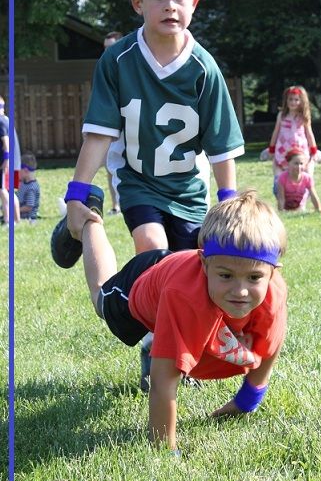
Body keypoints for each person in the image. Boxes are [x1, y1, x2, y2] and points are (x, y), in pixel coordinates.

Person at [50, 0, 244, 389]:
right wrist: (78, 191)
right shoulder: (118, 61)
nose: (170, 6)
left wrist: (229, 201)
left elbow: (221, 145)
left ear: (195, 2)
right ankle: (158, 351)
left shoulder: (204, 68)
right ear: (138, 4)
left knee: (193, 270)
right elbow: (99, 132)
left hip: (189, 188)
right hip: (139, 180)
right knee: (155, 256)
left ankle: (172, 343)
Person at [79, 189, 287, 453]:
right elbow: (163, 380)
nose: (241, 290)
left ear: (272, 273)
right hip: (144, 281)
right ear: (203, 263)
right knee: (100, 297)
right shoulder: (184, 298)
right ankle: (88, 217)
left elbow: (269, 347)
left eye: (254, 278)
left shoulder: (274, 293)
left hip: (178, 275)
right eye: (226, 276)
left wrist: (246, 402)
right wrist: (165, 451)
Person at [266, 86, 318, 194]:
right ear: (286, 100)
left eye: (296, 99)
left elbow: (309, 133)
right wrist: (271, 148)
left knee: (302, 173)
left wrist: (313, 150)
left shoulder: (303, 116)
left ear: (301, 101)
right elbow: (275, 132)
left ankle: (301, 198)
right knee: (281, 174)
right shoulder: (282, 115)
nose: (293, 102)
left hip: (300, 150)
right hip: (283, 150)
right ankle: (282, 198)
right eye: (290, 99)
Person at [102, 31, 123, 215]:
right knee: (110, 166)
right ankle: (115, 205)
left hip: (132, 129)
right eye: (105, 48)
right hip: (112, 129)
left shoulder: (129, 67)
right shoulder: (104, 69)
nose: (107, 51)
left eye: (111, 47)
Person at [276, 148, 321, 213]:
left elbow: (313, 195)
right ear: (288, 163)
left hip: (299, 207)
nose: (299, 166)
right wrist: (281, 212)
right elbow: (281, 198)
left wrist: (319, 209)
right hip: (286, 208)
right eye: (296, 163)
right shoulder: (282, 178)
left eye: (301, 164)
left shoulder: (307, 178)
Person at [16, 152, 41, 221]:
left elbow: (29, 207)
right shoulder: (23, 183)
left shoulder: (31, 187)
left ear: (25, 171)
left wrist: (14, 210)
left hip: (27, 217)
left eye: (18, 170)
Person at [0, 97, 10, 224]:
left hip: (2, 163)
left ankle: (8, 219)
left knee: (3, 190)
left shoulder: (2, 121)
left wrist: (6, 160)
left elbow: (6, 142)